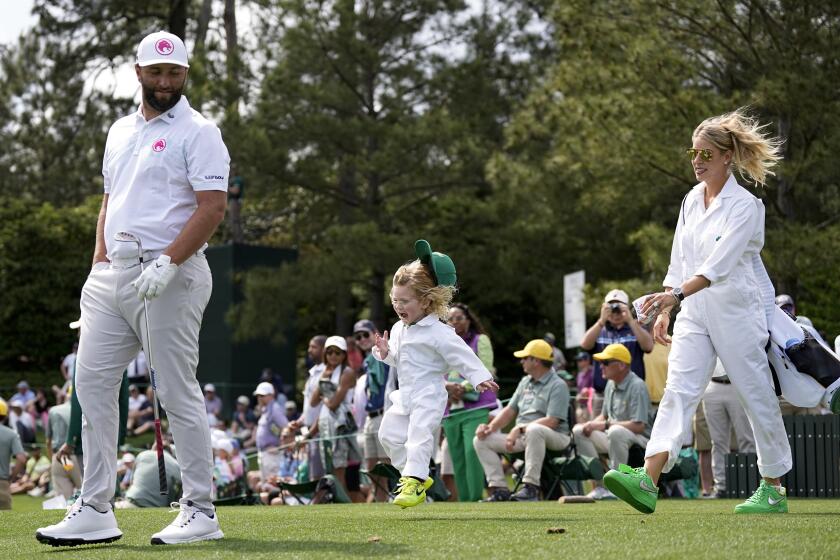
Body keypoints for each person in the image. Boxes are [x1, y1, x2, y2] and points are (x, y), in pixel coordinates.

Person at [36, 31, 229, 546]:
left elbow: (212, 206)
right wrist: (96, 266)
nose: (165, 81)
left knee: (175, 389)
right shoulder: (119, 130)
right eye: (156, 71)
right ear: (138, 71)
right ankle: (96, 506)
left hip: (173, 274)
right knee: (91, 386)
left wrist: (168, 261)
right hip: (112, 275)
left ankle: (200, 509)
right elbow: (109, 201)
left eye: (175, 73)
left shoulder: (200, 130)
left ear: (184, 75)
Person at [603, 108, 792, 515]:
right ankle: (648, 479)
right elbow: (681, 261)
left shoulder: (746, 206)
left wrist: (675, 297)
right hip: (693, 309)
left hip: (737, 311)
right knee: (679, 390)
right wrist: (667, 307)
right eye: (693, 153)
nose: (697, 161)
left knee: (755, 394)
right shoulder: (690, 200)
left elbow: (717, 266)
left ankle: (773, 488)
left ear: (728, 157)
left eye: (706, 154)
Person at [373, 240, 498, 508]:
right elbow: (400, 360)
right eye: (394, 299)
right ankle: (415, 475)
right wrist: (385, 354)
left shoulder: (439, 331)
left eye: (404, 301)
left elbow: (461, 354)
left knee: (419, 435)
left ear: (427, 300)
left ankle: (415, 479)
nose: (397, 305)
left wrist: (479, 376)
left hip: (429, 393)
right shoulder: (398, 329)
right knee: (388, 435)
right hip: (404, 395)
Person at [473, 339, 571, 502]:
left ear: (537, 361)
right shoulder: (525, 381)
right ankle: (499, 489)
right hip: (524, 437)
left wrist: (520, 429)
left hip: (557, 438)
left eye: (525, 358)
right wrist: (489, 428)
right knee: (481, 440)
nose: (522, 361)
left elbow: (553, 421)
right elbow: (509, 411)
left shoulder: (558, 385)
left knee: (534, 430)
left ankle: (531, 488)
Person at [572, 344, 651, 500]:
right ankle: (601, 485)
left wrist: (605, 425)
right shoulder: (610, 384)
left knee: (616, 432)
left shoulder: (637, 386)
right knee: (578, 431)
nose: (601, 366)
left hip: (641, 440)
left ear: (621, 365)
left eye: (606, 363)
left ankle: (617, 487)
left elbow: (639, 426)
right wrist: (590, 424)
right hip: (616, 436)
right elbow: (604, 416)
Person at [442, 303, 498, 503]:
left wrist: (463, 387)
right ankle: (464, 502)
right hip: (450, 408)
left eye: (459, 318)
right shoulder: (442, 343)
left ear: (468, 320)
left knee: (470, 452)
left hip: (475, 406)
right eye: (450, 319)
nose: (455, 322)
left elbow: (486, 368)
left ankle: (474, 499)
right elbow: (436, 372)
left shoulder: (480, 340)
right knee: (456, 456)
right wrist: (448, 387)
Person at [310, 336, 364, 502]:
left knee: (339, 467)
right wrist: (323, 381)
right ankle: (337, 500)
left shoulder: (347, 372)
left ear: (344, 355)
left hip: (341, 425)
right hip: (327, 425)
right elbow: (313, 402)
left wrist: (325, 399)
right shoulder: (326, 373)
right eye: (330, 352)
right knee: (330, 466)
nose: (333, 356)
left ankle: (342, 502)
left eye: (338, 352)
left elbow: (333, 404)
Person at [581, 289, 654, 397]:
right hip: (602, 394)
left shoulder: (635, 329)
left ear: (626, 308)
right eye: (611, 308)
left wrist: (630, 321)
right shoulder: (599, 330)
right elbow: (584, 345)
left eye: (619, 308)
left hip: (632, 392)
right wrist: (601, 321)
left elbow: (648, 347)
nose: (615, 313)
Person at [703, 359, 756, 498]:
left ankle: (749, 485)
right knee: (718, 441)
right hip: (712, 385)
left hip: (737, 384)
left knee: (746, 438)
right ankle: (721, 487)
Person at [353, 319, 391, 503]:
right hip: (370, 417)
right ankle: (379, 500)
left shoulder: (384, 353)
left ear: (375, 332)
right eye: (358, 337)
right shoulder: (367, 361)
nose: (362, 339)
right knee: (371, 465)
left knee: (384, 465)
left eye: (365, 334)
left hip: (384, 413)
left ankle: (383, 499)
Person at [254, 381, 289, 488]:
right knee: (265, 485)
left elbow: (286, 428)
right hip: (264, 453)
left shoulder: (275, 409)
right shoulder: (266, 410)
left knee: (272, 485)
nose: (259, 398)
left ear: (271, 395)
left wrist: (280, 447)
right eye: (258, 395)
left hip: (272, 455)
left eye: (262, 395)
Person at [46, 396, 81, 499]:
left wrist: (52, 459)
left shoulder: (53, 410)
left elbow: (48, 441)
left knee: (63, 496)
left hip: (59, 456)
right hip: (77, 456)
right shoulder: (83, 410)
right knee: (85, 490)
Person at [1, 400, 27, 509]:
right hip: (2, 483)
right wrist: (11, 477)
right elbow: (21, 458)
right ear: (5, 416)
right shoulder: (11, 434)